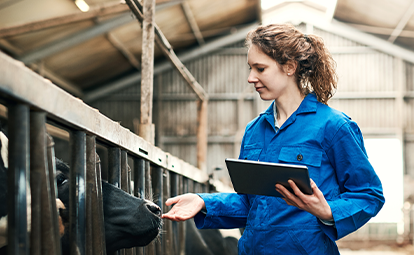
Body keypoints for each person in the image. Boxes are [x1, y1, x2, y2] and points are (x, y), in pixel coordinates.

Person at [162, 23, 385, 255]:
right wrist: (204, 203)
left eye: (260, 68)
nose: (250, 78)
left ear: (289, 67)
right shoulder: (254, 131)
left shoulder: (334, 126)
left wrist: (328, 211)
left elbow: (369, 194)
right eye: (250, 68)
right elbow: (250, 205)